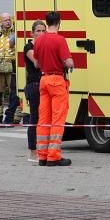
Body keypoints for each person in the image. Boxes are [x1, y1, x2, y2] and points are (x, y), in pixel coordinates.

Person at [34, 11, 74, 167]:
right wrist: (68, 63)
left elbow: (36, 64)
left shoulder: (38, 40)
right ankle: (54, 157)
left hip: (43, 80)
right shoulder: (60, 40)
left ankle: (42, 156)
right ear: (59, 23)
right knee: (58, 119)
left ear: (46, 22)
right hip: (57, 81)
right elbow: (68, 62)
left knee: (44, 119)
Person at [23, 20, 45, 162]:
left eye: (44, 31)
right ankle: (33, 152)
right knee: (34, 118)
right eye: (38, 31)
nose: (41, 33)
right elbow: (36, 62)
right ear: (32, 33)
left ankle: (44, 149)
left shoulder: (45, 45)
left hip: (46, 84)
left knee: (45, 119)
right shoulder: (29, 46)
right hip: (34, 85)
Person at [0, 12, 17, 125]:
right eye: (5, 20)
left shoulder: (16, 33)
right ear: (0, 22)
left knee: (15, 93)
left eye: (9, 19)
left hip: (12, 67)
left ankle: (16, 117)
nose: (8, 21)